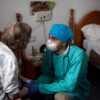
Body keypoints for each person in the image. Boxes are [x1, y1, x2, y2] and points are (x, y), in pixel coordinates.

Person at [20, 24, 90, 100]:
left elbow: (69, 85)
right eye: (49, 37)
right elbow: (47, 75)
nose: (49, 41)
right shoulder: (49, 52)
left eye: (54, 38)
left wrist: (40, 88)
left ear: (64, 42)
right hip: (55, 84)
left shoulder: (78, 55)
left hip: (74, 89)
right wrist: (35, 83)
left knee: (60, 97)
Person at [0, 22, 32, 100]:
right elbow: (12, 95)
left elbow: (4, 73)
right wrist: (25, 91)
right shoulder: (10, 58)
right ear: (22, 41)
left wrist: (23, 78)